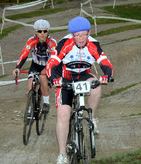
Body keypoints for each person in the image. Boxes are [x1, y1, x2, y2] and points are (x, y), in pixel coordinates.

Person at [46, 16, 113, 164]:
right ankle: (62, 154)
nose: (81, 38)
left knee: (96, 85)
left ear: (89, 33)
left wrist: (107, 75)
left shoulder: (93, 44)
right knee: (63, 114)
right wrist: (54, 79)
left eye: (84, 34)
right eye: (77, 35)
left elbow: (105, 62)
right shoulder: (65, 44)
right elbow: (52, 64)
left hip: (83, 74)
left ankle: (92, 117)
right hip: (65, 76)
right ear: (72, 35)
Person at [13, 19, 57, 113]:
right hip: (35, 65)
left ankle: (46, 103)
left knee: (42, 77)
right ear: (36, 32)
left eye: (44, 31)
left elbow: (55, 58)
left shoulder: (51, 42)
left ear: (47, 31)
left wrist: (51, 70)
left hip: (47, 65)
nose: (42, 33)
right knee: (29, 88)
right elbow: (24, 54)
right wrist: (18, 67)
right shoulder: (32, 40)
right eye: (39, 31)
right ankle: (29, 110)